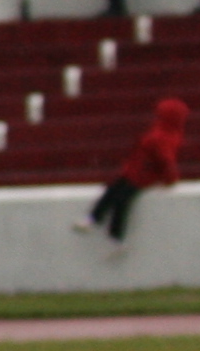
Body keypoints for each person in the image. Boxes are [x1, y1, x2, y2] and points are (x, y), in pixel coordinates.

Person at [76, 97, 190, 245]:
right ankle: (94, 219)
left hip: (143, 176)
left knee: (121, 199)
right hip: (135, 171)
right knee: (112, 190)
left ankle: (114, 236)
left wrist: (170, 179)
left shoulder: (163, 137)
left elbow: (166, 161)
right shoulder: (163, 133)